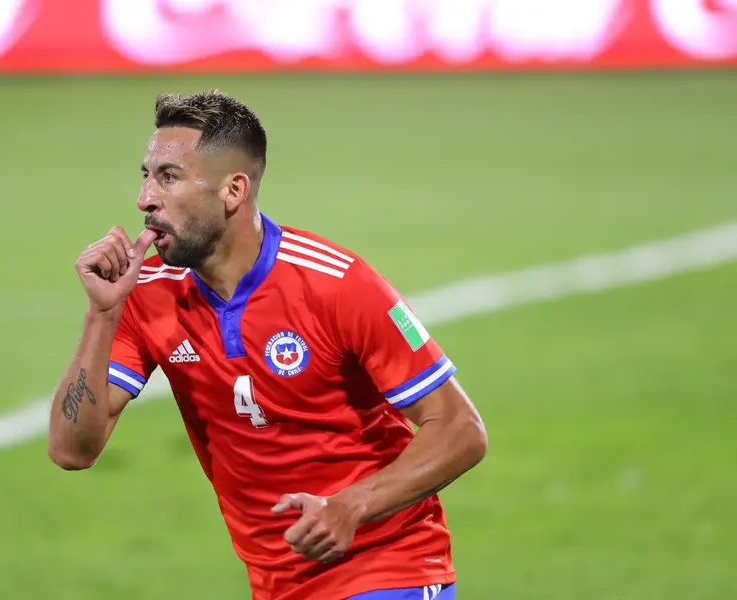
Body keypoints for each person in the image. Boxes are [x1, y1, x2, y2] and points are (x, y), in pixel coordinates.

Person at [47, 89, 488, 600]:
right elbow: (70, 450)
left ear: (233, 191)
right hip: (279, 584)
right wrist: (101, 314)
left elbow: (460, 429)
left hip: (387, 569)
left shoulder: (337, 284)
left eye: (168, 177)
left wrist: (349, 506)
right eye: (145, 175)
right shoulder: (147, 292)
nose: (145, 197)